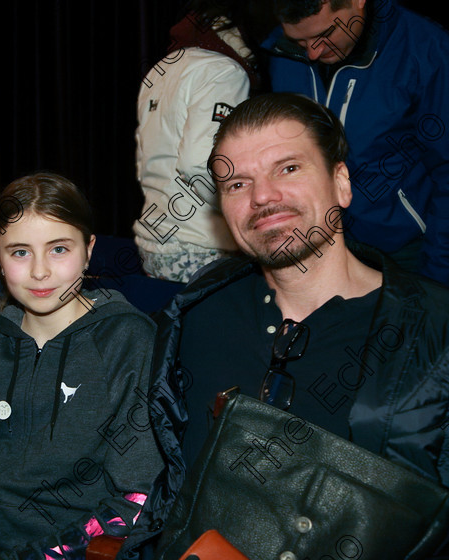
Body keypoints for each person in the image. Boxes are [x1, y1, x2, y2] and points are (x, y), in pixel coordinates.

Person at [126, 92, 449, 556]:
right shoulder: (193, 315)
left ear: (342, 183)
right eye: (237, 184)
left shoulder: (432, 332)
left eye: (288, 168)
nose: (262, 197)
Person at [0, 172, 166, 558]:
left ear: (88, 249)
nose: (39, 271)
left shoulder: (128, 341)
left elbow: (136, 497)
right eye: (19, 252)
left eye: (58, 249)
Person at [264, 0, 449, 284]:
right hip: (314, 247)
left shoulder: (425, 51)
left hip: (406, 251)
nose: (313, 52)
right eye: (299, 40)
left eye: (325, 34)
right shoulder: (282, 49)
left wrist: (439, 274)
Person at [133, 0, 276, 283]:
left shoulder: (162, 68)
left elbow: (146, 161)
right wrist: (253, 207)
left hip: (154, 242)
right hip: (202, 247)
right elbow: (201, 163)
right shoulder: (224, 71)